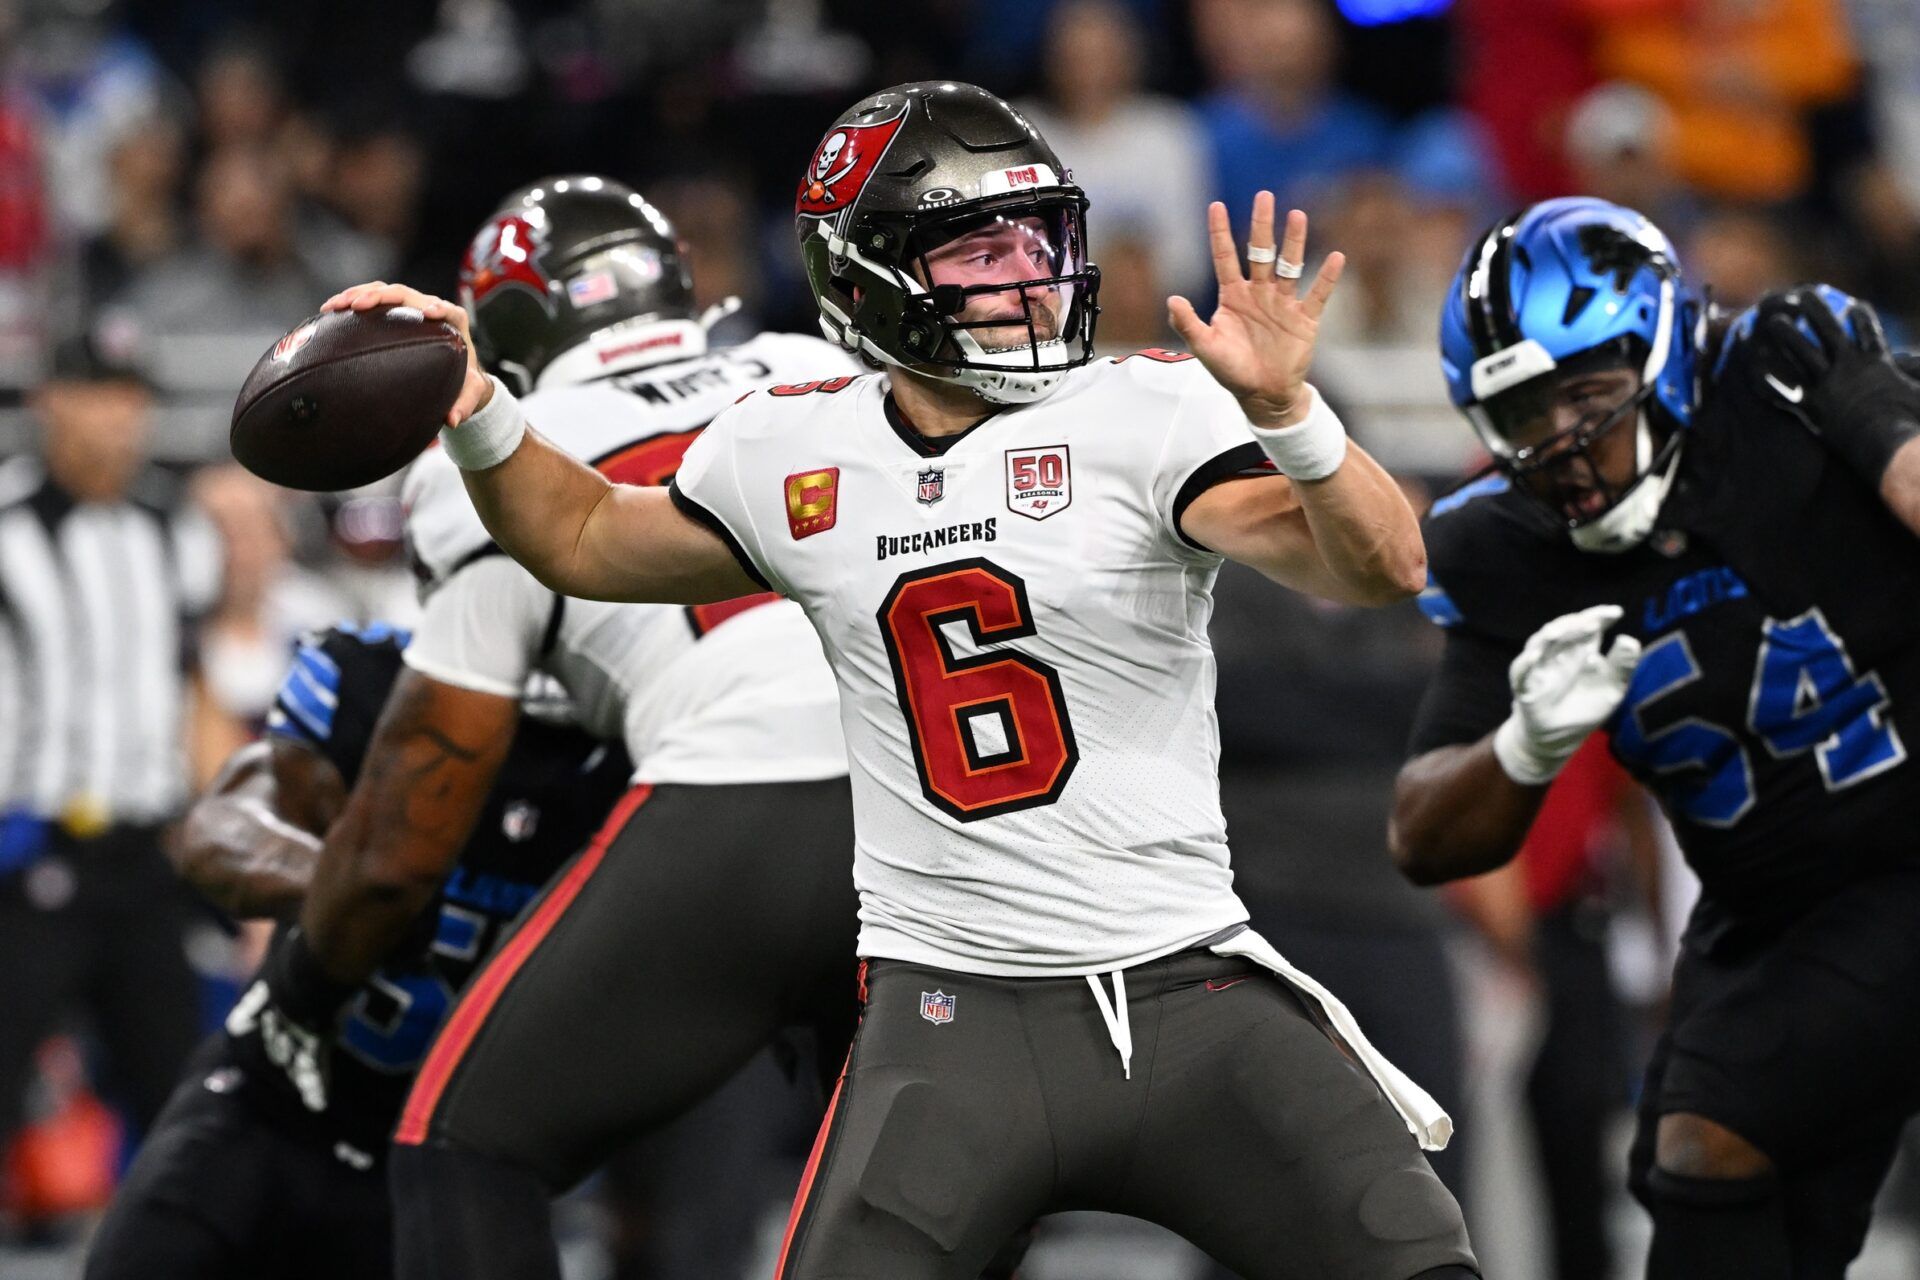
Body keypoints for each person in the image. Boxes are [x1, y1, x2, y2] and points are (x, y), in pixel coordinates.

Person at [333, 83, 1477, 1280]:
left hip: (1186, 987)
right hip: (951, 1020)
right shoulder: (794, 443)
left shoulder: (1145, 408)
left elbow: (1382, 561)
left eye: (1042, 241)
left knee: (1421, 1261)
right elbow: (580, 536)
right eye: (985, 249)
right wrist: (476, 409)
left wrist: (1293, 414)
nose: (1032, 279)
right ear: (868, 273)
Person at [246, 176, 865, 1280]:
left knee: (460, 1142)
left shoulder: (499, 448)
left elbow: (407, 834)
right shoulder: (816, 364)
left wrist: (301, 986)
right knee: (912, 1184)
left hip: (742, 797)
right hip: (939, 798)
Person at [1391, 194, 1920, 1278]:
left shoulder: (1787, 386)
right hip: (1769, 906)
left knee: (1719, 1127)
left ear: (1669, 354)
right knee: (1696, 1178)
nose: (1564, 442)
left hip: (1908, 840)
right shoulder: (1506, 546)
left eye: (1588, 393)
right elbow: (1422, 833)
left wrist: (1874, 418)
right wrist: (1524, 748)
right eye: (1527, 414)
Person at [84, 622, 631, 1279]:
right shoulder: (378, 683)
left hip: (458, 1160)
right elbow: (218, 830)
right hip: (273, 1103)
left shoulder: (652, 747)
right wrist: (343, 886)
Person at [0, 332, 221, 1159]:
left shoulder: (173, 528)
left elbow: (192, 688)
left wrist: (217, 821)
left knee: (180, 1114)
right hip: (28, 857)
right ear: (50, 400)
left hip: (143, 861)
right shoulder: (8, 524)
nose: (121, 419)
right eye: (99, 395)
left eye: (133, 397)